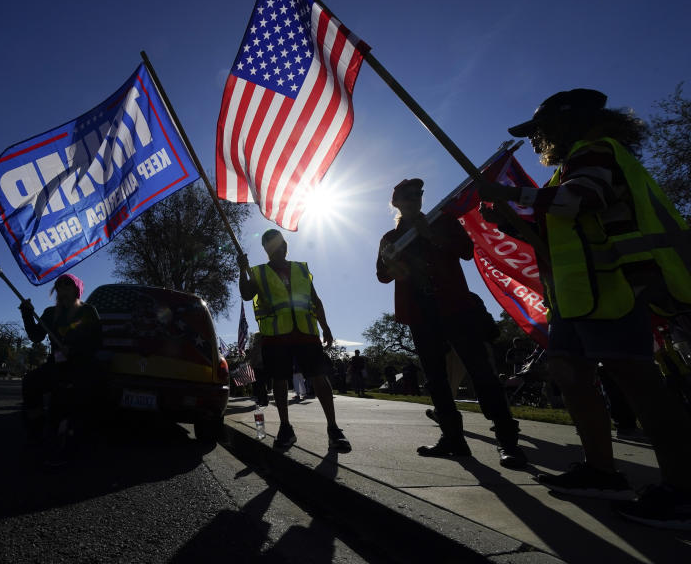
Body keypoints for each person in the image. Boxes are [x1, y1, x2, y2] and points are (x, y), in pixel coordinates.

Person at [479, 88, 691, 528]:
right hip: (576, 298)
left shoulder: (596, 152)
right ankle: (601, 471)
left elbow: (581, 200)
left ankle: (683, 490)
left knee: (640, 384)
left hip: (614, 290)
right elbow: (558, 226)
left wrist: (510, 193)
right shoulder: (571, 166)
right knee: (567, 371)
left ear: (566, 123)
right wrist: (509, 217)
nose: (539, 141)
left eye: (541, 131)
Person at [377, 178, 527, 468]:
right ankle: (453, 439)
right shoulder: (390, 238)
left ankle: (508, 441)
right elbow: (383, 275)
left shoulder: (441, 221)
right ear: (396, 203)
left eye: (418, 195)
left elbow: (466, 251)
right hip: (421, 313)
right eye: (407, 197)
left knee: (480, 371)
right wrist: (390, 260)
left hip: (455, 307)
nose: (414, 200)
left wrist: (430, 235)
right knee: (435, 379)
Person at [238, 229, 351, 451]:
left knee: (319, 377)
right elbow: (245, 294)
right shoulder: (258, 273)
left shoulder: (300, 269)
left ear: (284, 245)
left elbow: (315, 300)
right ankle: (285, 427)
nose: (273, 247)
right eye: (268, 244)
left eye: (276, 242)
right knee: (279, 382)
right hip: (276, 336)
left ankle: (333, 429)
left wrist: (325, 326)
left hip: (306, 333)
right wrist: (242, 270)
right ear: (265, 249)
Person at [19, 273, 102, 454]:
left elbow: (97, 342)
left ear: (76, 289)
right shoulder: (50, 313)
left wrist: (74, 350)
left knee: (64, 399)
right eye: (59, 286)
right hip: (55, 365)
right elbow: (36, 336)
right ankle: (36, 430)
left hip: (80, 367)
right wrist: (26, 313)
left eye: (67, 285)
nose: (62, 289)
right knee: (31, 382)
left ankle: (66, 439)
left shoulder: (88, 311)